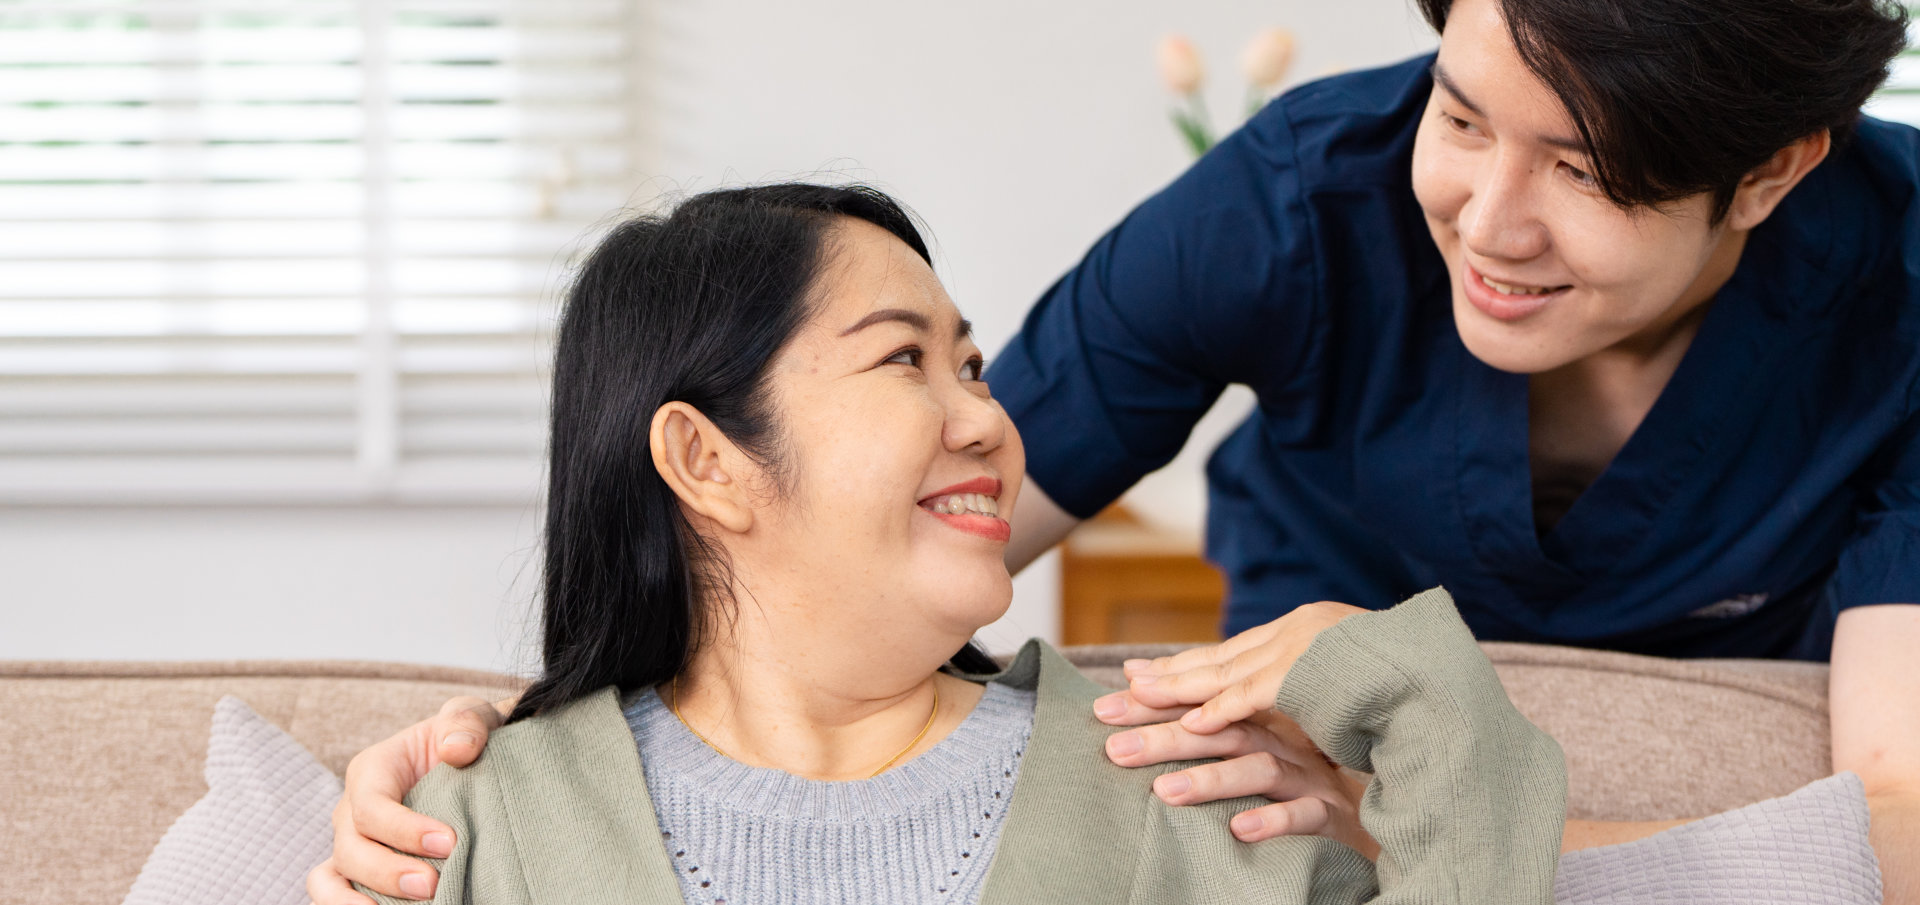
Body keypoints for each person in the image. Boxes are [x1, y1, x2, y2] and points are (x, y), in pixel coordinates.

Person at [316, 0, 1920, 896]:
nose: (1485, 222)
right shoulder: (1290, 205)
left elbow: (1893, 826)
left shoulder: (1901, 292)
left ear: (1772, 174)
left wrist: (1429, 827)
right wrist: (539, 739)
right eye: (1460, 112)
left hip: (1542, 786)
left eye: (1584, 169)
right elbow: (897, 540)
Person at [319, 182, 1566, 905]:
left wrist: (1411, 684)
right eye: (904, 358)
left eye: (972, 362)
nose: (990, 415)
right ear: (707, 459)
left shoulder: (1173, 782)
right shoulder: (476, 828)